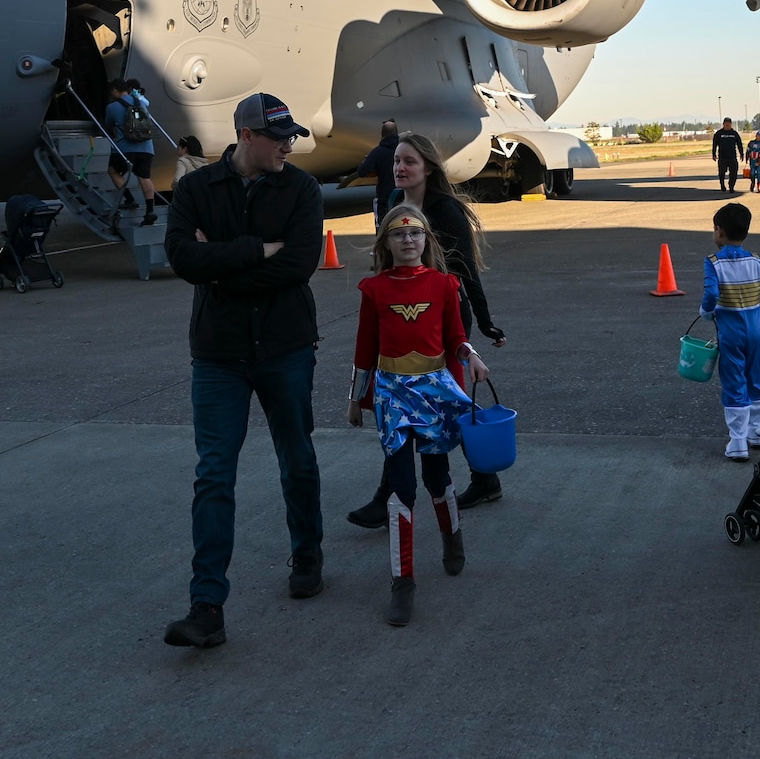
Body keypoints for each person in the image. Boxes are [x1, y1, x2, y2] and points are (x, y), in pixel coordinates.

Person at [160, 92, 326, 650]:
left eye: (291, 136)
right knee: (213, 475)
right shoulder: (194, 189)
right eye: (278, 136)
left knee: (297, 458)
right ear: (246, 136)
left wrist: (222, 265)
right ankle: (207, 605)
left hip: (285, 347)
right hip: (218, 356)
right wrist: (258, 250)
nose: (289, 144)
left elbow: (298, 264)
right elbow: (182, 259)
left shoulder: (300, 188)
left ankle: (307, 553)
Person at [346, 132, 508, 524]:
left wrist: (484, 325)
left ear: (428, 168)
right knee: (403, 401)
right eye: (397, 161)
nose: (400, 168)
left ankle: (476, 476)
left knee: (444, 401)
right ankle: (412, 490)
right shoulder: (393, 204)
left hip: (443, 315)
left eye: (409, 162)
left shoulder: (444, 209)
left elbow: (467, 267)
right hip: (399, 310)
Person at [347, 203, 492, 626]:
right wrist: (357, 400)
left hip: (433, 394)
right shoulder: (373, 290)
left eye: (416, 234)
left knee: (436, 478)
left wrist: (473, 357)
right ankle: (402, 582)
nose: (408, 241)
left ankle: (451, 537)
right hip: (392, 397)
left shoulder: (446, 285)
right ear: (385, 242)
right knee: (401, 489)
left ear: (426, 240)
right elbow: (364, 350)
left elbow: (456, 337)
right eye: (398, 234)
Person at [700, 202, 760, 460]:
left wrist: (706, 311)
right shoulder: (756, 260)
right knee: (756, 376)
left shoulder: (714, 263)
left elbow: (711, 294)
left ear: (719, 231)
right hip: (756, 329)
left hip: (731, 332)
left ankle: (738, 441)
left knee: (734, 380)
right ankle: (756, 431)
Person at [106, 79, 160, 225]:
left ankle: (129, 199)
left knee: (113, 171)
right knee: (144, 177)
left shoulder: (112, 107)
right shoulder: (140, 103)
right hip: (147, 148)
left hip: (125, 149)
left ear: (115, 90)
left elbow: (108, 124)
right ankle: (150, 211)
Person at [339, 119, 401, 223]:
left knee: (384, 226)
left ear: (382, 134)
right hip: (404, 196)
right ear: (396, 133)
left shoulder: (378, 152)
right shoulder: (404, 149)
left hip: (385, 197)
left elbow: (362, 172)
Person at [711, 117, 744, 195]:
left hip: (732, 156)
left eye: (729, 125)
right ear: (723, 124)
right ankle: (722, 185)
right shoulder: (719, 133)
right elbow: (714, 144)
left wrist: (741, 154)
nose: (727, 126)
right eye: (726, 125)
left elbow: (739, 144)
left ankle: (731, 186)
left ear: (731, 124)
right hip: (722, 157)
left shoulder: (734, 133)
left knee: (734, 173)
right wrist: (713, 154)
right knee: (722, 172)